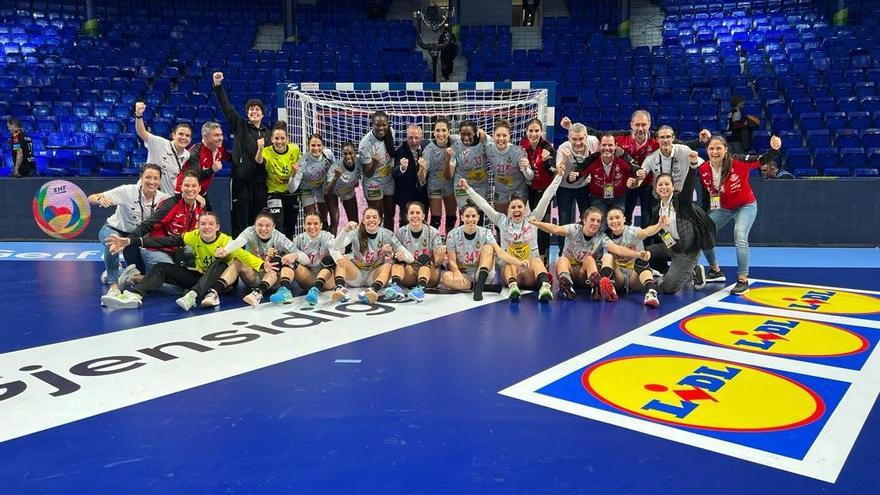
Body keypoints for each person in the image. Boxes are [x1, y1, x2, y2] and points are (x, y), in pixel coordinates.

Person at [102, 212, 265, 310]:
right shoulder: (193, 236)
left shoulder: (225, 240)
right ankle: (135, 295)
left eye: (210, 224)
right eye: (203, 224)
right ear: (198, 226)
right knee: (162, 268)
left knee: (221, 262)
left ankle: (193, 296)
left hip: (223, 284)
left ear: (217, 227)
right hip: (200, 279)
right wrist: (131, 241)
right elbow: (165, 241)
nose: (206, 227)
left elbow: (243, 256)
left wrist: (263, 265)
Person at [460, 163, 564, 302]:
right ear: (508, 211)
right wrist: (468, 189)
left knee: (537, 260)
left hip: (529, 273)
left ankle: (544, 287)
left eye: (520, 207)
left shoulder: (533, 219)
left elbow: (546, 197)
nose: (517, 210)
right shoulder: (501, 221)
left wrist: (559, 177)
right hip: (511, 273)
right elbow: (484, 205)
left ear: (525, 209)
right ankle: (513, 288)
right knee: (508, 263)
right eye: (513, 207)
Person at [697, 135, 782, 295]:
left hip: (746, 205)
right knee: (703, 231)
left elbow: (762, 159)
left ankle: (743, 279)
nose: (715, 152)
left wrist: (774, 149)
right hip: (722, 208)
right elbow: (705, 193)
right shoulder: (703, 169)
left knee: (740, 235)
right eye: (711, 148)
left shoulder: (738, 161)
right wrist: (704, 216)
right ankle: (715, 271)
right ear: (707, 150)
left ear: (726, 150)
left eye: (718, 148)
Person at [89, 163, 170, 304]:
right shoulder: (127, 191)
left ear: (160, 180)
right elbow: (92, 197)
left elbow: (182, 203)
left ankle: (116, 272)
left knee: (138, 273)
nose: (152, 182)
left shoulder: (164, 198)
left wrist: (198, 199)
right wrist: (99, 199)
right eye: (148, 177)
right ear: (141, 177)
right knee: (112, 242)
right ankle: (113, 286)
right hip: (115, 229)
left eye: (155, 178)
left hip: (135, 239)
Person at [115, 170, 205, 291]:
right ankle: (132, 277)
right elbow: (147, 225)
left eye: (194, 186)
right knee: (174, 288)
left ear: (199, 188)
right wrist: (129, 240)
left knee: (197, 271)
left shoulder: (200, 206)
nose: (190, 189)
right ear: (181, 187)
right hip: (157, 249)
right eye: (186, 185)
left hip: (179, 248)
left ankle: (120, 271)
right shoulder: (171, 205)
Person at [213, 71, 272, 236]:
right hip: (241, 182)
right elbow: (227, 107)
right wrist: (218, 86)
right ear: (247, 113)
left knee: (259, 222)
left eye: (257, 109)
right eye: (251, 110)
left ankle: (258, 256)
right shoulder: (240, 125)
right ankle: (239, 257)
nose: (254, 112)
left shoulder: (269, 133)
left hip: (261, 184)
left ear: (263, 113)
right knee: (240, 221)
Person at [646, 162, 717, 294]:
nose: (663, 187)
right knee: (645, 253)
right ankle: (672, 271)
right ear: (655, 188)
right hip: (671, 246)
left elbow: (689, 186)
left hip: (687, 251)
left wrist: (693, 166)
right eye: (660, 184)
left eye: (667, 184)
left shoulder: (682, 202)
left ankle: (693, 271)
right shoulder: (657, 209)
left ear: (673, 186)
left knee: (667, 288)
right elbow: (654, 231)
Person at [213, 210, 308, 307]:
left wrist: (294, 255)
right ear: (254, 225)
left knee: (280, 260)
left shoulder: (280, 238)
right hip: (253, 276)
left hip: (272, 279)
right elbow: (237, 242)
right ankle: (213, 292)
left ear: (274, 227)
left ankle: (259, 293)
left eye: (267, 226)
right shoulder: (250, 232)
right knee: (238, 261)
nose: (263, 229)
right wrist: (225, 250)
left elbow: (306, 259)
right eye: (260, 225)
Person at [329, 208, 414, 304]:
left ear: (379, 220)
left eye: (374, 217)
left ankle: (372, 290)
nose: (371, 220)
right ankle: (340, 288)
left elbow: (411, 258)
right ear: (363, 221)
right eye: (368, 217)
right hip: (356, 275)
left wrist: (400, 256)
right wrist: (345, 230)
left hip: (373, 276)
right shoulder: (355, 232)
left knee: (388, 264)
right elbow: (335, 246)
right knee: (342, 259)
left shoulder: (387, 234)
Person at [602, 207, 668, 307]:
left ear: (624, 219)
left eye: (617, 217)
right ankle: (609, 288)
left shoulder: (632, 231)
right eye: (611, 219)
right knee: (607, 257)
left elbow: (647, 232)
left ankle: (651, 293)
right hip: (618, 277)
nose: (614, 221)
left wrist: (659, 225)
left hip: (635, 276)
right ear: (607, 221)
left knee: (641, 260)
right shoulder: (605, 236)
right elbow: (618, 250)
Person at [441, 203, 506, 301]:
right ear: (462, 217)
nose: (470, 219)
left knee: (488, 247)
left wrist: (519, 262)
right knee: (446, 277)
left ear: (478, 217)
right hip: (464, 274)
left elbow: (499, 252)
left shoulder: (486, 232)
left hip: (483, 273)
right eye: (467, 216)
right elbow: (452, 261)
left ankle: (479, 288)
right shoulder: (452, 235)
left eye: (473, 216)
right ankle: (479, 287)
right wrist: (456, 272)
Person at [384, 201, 444, 303]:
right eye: (411, 213)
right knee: (400, 257)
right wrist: (389, 252)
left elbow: (438, 263)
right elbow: (393, 256)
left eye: (418, 213)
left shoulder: (433, 232)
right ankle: (396, 286)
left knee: (424, 257)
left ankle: (420, 289)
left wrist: (441, 257)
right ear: (407, 216)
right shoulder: (400, 232)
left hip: (429, 275)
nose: (414, 216)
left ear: (423, 216)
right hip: (410, 274)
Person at [555, 122, 599, 252]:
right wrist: (564, 159)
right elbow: (558, 171)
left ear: (586, 137)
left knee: (588, 220)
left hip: (584, 187)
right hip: (564, 188)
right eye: (574, 139)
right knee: (564, 221)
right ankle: (562, 253)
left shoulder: (594, 142)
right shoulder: (563, 148)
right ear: (569, 139)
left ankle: (588, 252)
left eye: (581, 139)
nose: (578, 142)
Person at [255, 121, 301, 239]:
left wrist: (296, 170)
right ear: (271, 139)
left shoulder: (295, 149)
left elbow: (300, 170)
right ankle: (277, 253)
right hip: (274, 192)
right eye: (276, 138)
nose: (279, 141)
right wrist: (260, 149)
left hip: (291, 192)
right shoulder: (267, 151)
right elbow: (259, 161)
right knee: (278, 223)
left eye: (282, 138)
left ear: (287, 139)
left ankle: (288, 252)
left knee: (290, 225)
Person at [133, 102, 191, 195]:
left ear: (190, 139)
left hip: (166, 196)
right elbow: (141, 132)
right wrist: (139, 115)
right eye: (180, 134)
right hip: (145, 193)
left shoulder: (186, 155)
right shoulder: (159, 143)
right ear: (173, 135)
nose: (184, 138)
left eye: (187, 135)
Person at [520, 118, 556, 263]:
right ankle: (526, 253)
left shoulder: (547, 148)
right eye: (531, 131)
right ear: (526, 132)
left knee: (542, 224)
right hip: (529, 188)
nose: (533, 134)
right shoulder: (523, 144)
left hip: (545, 191)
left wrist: (548, 162)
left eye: (536, 131)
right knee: (528, 221)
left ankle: (543, 257)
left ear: (541, 132)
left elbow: (554, 170)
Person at [286, 213, 338, 306]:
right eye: (309, 224)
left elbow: (335, 249)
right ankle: (284, 290)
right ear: (304, 225)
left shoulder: (328, 237)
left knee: (329, 259)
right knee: (290, 260)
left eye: (315, 223)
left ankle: (316, 289)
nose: (312, 227)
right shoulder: (299, 239)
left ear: (321, 225)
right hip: (308, 278)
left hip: (327, 280)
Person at [416, 119, 456, 232]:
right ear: (433, 132)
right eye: (438, 130)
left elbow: (449, 176)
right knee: (435, 220)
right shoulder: (429, 150)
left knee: (451, 218)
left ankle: (450, 242)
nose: (441, 133)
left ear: (449, 132)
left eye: (444, 130)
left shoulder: (454, 145)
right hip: (435, 185)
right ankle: (434, 245)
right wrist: (422, 168)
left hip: (450, 183)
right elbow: (421, 178)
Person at [359, 111, 397, 229]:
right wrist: (375, 162)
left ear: (388, 124)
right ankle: (373, 244)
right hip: (373, 181)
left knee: (390, 214)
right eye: (378, 125)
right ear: (372, 125)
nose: (381, 127)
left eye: (384, 124)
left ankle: (388, 242)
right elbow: (368, 173)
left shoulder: (391, 133)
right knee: (376, 216)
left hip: (389, 179)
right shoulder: (365, 144)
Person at [485, 119, 532, 214]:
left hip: (518, 191)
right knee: (499, 223)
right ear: (493, 136)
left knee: (517, 222)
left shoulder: (518, 152)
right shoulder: (489, 148)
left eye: (504, 135)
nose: (501, 139)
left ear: (509, 137)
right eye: (498, 135)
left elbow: (530, 177)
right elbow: (483, 137)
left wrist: (526, 168)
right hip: (500, 191)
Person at [582, 134, 635, 217]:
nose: (607, 148)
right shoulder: (592, 161)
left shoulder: (623, 161)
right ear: (599, 146)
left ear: (616, 146)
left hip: (619, 197)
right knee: (599, 225)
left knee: (617, 223)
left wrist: (633, 181)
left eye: (610, 145)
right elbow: (580, 174)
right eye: (604, 145)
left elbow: (635, 174)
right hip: (597, 197)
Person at [176, 121, 228, 207]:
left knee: (210, 219)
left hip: (202, 193)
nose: (220, 138)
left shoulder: (219, 148)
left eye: (221, 134)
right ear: (205, 137)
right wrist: (212, 170)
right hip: (187, 194)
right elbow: (192, 178)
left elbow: (231, 158)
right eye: (216, 135)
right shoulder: (196, 153)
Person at [636, 125, 696, 193]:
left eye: (668, 137)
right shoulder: (651, 158)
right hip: (661, 196)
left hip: (681, 195)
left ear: (673, 138)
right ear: (657, 140)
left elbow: (701, 164)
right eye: (662, 137)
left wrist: (694, 162)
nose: (665, 140)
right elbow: (640, 179)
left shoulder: (684, 150)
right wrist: (634, 183)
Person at [392, 124, 429, 228]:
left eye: (416, 137)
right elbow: (394, 173)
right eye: (410, 137)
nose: (413, 141)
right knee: (405, 223)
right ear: (406, 137)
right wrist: (402, 168)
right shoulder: (401, 151)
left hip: (423, 193)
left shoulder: (427, 146)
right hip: (406, 195)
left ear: (422, 137)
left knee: (423, 221)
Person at [292, 133, 332, 227]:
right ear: (308, 146)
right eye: (313, 145)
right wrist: (294, 173)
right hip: (306, 190)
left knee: (323, 219)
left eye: (319, 145)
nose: (316, 148)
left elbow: (332, 170)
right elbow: (291, 189)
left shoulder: (328, 155)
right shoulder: (302, 162)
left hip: (320, 188)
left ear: (323, 146)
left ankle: (325, 232)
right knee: (312, 218)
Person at [449, 120, 489, 210]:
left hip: (480, 184)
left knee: (480, 214)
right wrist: (448, 159)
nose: (466, 138)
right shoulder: (455, 146)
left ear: (475, 133)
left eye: (469, 134)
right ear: (459, 133)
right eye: (463, 134)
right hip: (462, 184)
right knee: (465, 214)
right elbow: (449, 175)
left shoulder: (485, 140)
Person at [324, 142, 361, 235]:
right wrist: (336, 177)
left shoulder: (360, 161)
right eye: (345, 154)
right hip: (332, 192)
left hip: (348, 190)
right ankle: (332, 245)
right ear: (341, 154)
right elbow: (327, 191)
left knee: (354, 221)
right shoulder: (335, 167)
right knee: (335, 219)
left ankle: (352, 246)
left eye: (350, 153)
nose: (348, 156)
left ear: (355, 153)